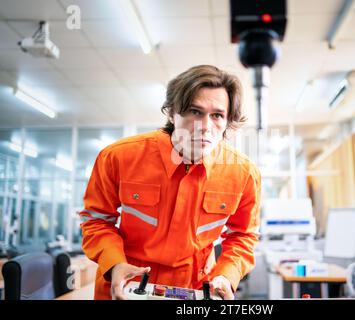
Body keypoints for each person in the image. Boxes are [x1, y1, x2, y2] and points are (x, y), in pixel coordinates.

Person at [80, 65, 261, 300]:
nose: (205, 126)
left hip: (193, 291)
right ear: (172, 113)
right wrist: (114, 264)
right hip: (125, 285)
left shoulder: (243, 174)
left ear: (227, 121)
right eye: (195, 111)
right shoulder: (119, 157)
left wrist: (227, 275)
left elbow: (243, 235)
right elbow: (96, 220)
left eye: (217, 115)